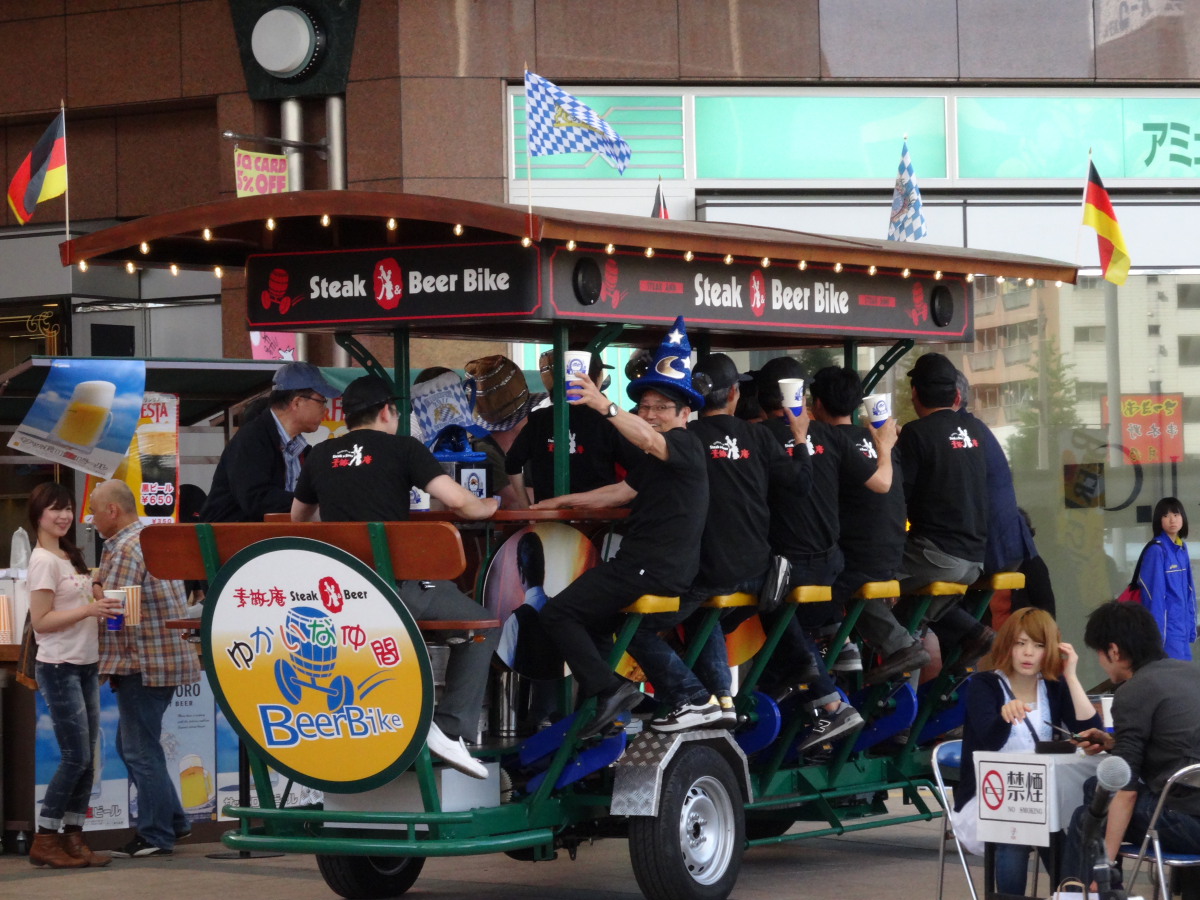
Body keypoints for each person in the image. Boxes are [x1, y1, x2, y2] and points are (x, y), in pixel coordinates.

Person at [291, 374, 499, 778]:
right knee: (483, 625)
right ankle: (448, 728)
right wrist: (490, 503)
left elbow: (299, 519)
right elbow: (462, 505)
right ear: (387, 411)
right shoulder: (405, 448)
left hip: (341, 595)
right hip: (397, 591)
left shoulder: (319, 455)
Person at [537, 317, 712, 738]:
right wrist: (556, 504)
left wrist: (603, 405)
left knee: (557, 614)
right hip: (653, 566)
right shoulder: (659, 457)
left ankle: (611, 691)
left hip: (651, 566)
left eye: (660, 408)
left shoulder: (684, 444)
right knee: (595, 623)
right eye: (645, 407)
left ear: (686, 413)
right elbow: (618, 494)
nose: (649, 415)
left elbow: (650, 441)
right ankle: (627, 696)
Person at [656, 352, 814, 727]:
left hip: (708, 572)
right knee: (707, 610)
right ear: (733, 396)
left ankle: (710, 698)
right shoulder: (758, 435)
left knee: (674, 614)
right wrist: (800, 437)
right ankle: (729, 696)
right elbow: (800, 484)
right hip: (758, 573)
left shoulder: (685, 438)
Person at [755, 356, 895, 747]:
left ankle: (829, 702)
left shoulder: (756, 437)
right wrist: (884, 445)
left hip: (789, 572)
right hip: (831, 570)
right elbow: (883, 484)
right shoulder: (832, 436)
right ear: (806, 398)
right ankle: (837, 642)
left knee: (765, 605)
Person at [88, 479, 201, 858]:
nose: (90, 518)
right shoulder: (152, 539)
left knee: (138, 750)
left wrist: (92, 593)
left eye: (94, 510)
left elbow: (119, 616)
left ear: (113, 511)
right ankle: (176, 821)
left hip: (144, 663)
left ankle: (155, 834)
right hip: (166, 659)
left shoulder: (124, 550)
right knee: (136, 745)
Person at [956, 608, 1100, 895]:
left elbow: (1091, 732)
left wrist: (1070, 675)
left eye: (1038, 645)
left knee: (1054, 825)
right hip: (991, 798)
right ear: (1007, 645)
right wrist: (1004, 717)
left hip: (1041, 797)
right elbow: (990, 739)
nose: (1028, 653)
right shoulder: (984, 685)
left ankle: (1069, 891)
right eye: (1020, 643)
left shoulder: (1053, 687)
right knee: (1019, 828)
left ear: (1050, 650)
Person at [1062, 601, 1200, 895]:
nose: (1100, 662)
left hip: (1188, 824)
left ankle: (1095, 889)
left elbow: (1124, 791)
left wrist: (1107, 862)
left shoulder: (1133, 691)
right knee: (1092, 791)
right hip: (1191, 806)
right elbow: (1178, 745)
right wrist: (1114, 744)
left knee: (1085, 816)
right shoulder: (1191, 675)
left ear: (1113, 651)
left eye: (1099, 653)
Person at [809, 366, 929, 684]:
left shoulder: (828, 441)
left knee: (809, 589)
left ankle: (852, 657)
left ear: (816, 404)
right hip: (893, 554)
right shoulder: (878, 439)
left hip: (857, 561)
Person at [27, 482, 123, 868]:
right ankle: (45, 837)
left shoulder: (67, 554)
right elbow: (41, 622)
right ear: (38, 515)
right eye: (55, 509)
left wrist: (96, 593)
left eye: (67, 508)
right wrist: (88, 612)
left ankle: (74, 838)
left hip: (85, 664)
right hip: (58, 666)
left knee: (89, 758)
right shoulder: (43, 561)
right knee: (76, 756)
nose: (64, 516)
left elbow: (80, 596)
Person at [896, 353, 992, 667]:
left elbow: (897, 499)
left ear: (914, 394)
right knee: (915, 610)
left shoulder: (916, 433)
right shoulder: (974, 431)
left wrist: (889, 452)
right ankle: (971, 631)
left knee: (863, 578)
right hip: (975, 559)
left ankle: (889, 674)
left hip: (935, 557)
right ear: (956, 394)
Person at [201, 361, 341, 522]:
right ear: (297, 402)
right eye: (321, 401)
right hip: (233, 541)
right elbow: (256, 499)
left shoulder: (301, 449)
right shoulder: (252, 439)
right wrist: (307, 505)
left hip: (275, 539)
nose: (325, 409)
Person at [505, 347, 635, 507]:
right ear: (596, 377)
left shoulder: (539, 420)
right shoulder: (608, 421)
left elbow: (511, 463)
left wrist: (527, 510)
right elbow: (638, 468)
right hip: (598, 521)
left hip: (548, 520)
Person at [1132, 496, 1196, 660]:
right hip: (1167, 632)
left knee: (1184, 678)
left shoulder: (1182, 547)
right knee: (1173, 679)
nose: (1172, 520)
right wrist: (1157, 637)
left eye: (1176, 514)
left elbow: (1190, 591)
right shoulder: (1157, 550)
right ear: (1158, 520)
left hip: (1182, 629)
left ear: (1183, 518)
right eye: (1165, 516)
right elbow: (1154, 597)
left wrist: (1191, 627)